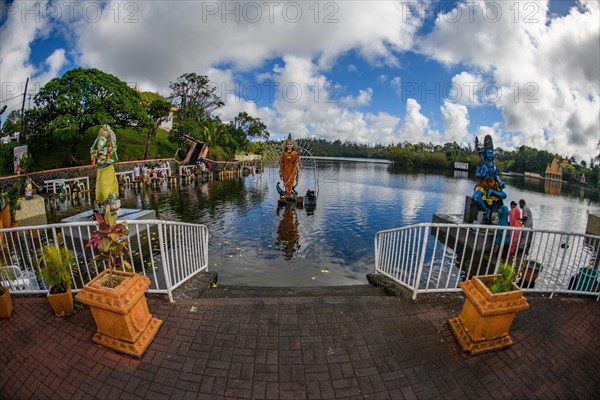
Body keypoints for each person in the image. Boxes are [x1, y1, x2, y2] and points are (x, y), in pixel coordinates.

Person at [473, 135, 506, 223]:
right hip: (483, 184)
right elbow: (476, 174)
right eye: (489, 153)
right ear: (485, 153)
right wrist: (482, 174)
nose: (490, 155)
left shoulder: (494, 164)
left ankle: (493, 192)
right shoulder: (481, 163)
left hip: (493, 184)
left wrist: (500, 182)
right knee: (476, 197)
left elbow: (496, 175)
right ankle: (486, 210)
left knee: (503, 195)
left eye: (492, 153)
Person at [90, 124, 119, 208]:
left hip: (107, 171)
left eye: (102, 140)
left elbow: (114, 158)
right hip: (100, 172)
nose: (100, 142)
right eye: (99, 140)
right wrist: (93, 153)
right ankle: (100, 204)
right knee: (100, 191)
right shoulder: (98, 152)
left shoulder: (110, 150)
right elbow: (93, 159)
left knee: (106, 191)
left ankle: (108, 204)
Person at [278, 134, 300, 199]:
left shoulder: (295, 153)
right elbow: (281, 162)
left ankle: (289, 193)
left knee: (291, 181)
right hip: (285, 169)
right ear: (286, 145)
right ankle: (287, 192)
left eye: (291, 144)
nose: (289, 145)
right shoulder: (284, 153)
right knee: (285, 180)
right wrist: (279, 155)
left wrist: (297, 168)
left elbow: (297, 161)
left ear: (293, 145)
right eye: (288, 144)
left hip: (292, 169)